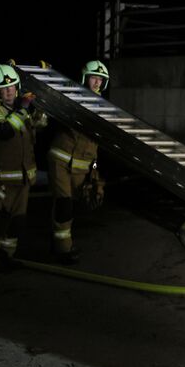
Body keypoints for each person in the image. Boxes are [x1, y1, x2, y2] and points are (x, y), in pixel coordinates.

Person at [0, 63, 47, 269]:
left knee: (18, 220)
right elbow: (4, 131)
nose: (9, 91)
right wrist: (23, 110)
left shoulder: (20, 106)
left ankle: (7, 255)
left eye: (11, 87)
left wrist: (39, 111)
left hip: (23, 177)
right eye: (3, 88)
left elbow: (38, 126)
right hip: (2, 178)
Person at [47, 60, 108, 264]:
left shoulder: (104, 108)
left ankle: (59, 242)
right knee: (64, 204)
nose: (97, 82)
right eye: (93, 78)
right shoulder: (74, 96)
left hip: (82, 166)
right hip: (61, 159)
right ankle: (62, 250)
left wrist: (94, 170)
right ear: (85, 78)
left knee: (72, 206)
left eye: (100, 79)